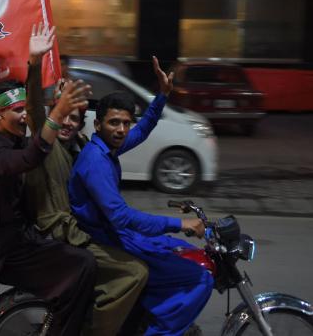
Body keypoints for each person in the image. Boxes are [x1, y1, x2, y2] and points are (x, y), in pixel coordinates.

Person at [0, 24, 96, 336]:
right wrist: (55, 114)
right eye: (16, 111)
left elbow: (36, 130)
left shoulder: (17, 141)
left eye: (23, 110)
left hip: (29, 238)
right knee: (84, 265)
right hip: (11, 251)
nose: (23, 116)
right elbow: (31, 158)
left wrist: (36, 62)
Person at [68, 57, 214, 336]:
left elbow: (143, 129)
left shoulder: (107, 147)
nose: (122, 130)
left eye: (125, 123)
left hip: (116, 234)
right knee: (198, 278)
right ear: (97, 125)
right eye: (114, 123)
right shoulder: (96, 162)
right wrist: (179, 224)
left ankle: (143, 317)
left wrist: (163, 95)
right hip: (107, 239)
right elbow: (121, 216)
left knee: (174, 249)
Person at [23, 31, 148, 336]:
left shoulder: (78, 146)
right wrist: (35, 63)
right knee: (134, 272)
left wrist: (161, 102)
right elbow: (34, 111)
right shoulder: (47, 147)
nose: (67, 123)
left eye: (75, 118)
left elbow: (128, 135)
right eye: (63, 116)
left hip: (84, 230)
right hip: (60, 236)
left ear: (82, 124)